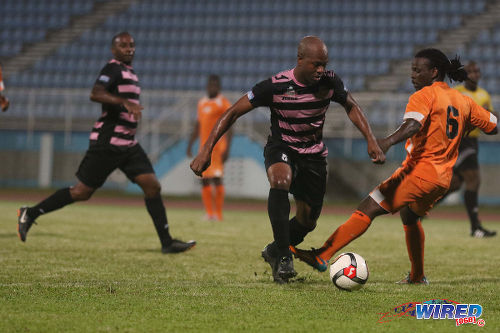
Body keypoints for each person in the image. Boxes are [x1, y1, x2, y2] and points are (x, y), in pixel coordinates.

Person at [291, 48, 498, 284]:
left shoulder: (424, 95)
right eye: (412, 70)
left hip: (420, 172)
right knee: (409, 217)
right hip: (442, 179)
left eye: (417, 70)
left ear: (434, 72)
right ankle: (417, 276)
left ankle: (322, 255)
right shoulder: (464, 101)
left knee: (369, 206)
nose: (412, 75)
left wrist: (386, 142)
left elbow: (413, 125)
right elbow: (493, 126)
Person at [190, 36, 385, 283]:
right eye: (315, 64)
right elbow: (232, 112)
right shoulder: (275, 85)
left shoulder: (330, 81)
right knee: (280, 180)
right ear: (300, 59)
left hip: (314, 156)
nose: (320, 70)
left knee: (308, 221)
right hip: (282, 147)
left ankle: (274, 250)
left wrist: (370, 138)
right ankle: (284, 257)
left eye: (324, 64)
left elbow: (352, 106)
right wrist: (206, 149)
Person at [17, 32, 196, 254]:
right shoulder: (112, 68)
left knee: (152, 186)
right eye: (123, 46)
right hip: (108, 142)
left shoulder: (129, 72)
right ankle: (30, 213)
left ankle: (167, 242)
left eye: (132, 45)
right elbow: (96, 93)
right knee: (82, 192)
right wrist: (123, 102)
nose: (129, 48)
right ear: (114, 50)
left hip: (128, 144)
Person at [441, 61, 496, 238]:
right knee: (474, 179)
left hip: (473, 142)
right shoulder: (457, 93)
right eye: (470, 71)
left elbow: (491, 119)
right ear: (465, 75)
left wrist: (489, 115)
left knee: (455, 184)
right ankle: (476, 227)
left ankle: (419, 211)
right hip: (460, 141)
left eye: (477, 71)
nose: (474, 74)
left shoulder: (484, 95)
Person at [187, 75, 232, 221]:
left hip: (218, 148)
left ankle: (218, 214)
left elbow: (230, 126)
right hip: (203, 147)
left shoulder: (223, 103)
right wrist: (190, 143)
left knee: (217, 178)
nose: (212, 87)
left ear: (218, 87)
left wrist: (228, 148)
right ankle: (209, 213)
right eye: (210, 85)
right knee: (204, 179)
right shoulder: (202, 103)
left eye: (215, 85)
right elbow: (198, 124)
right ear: (207, 86)